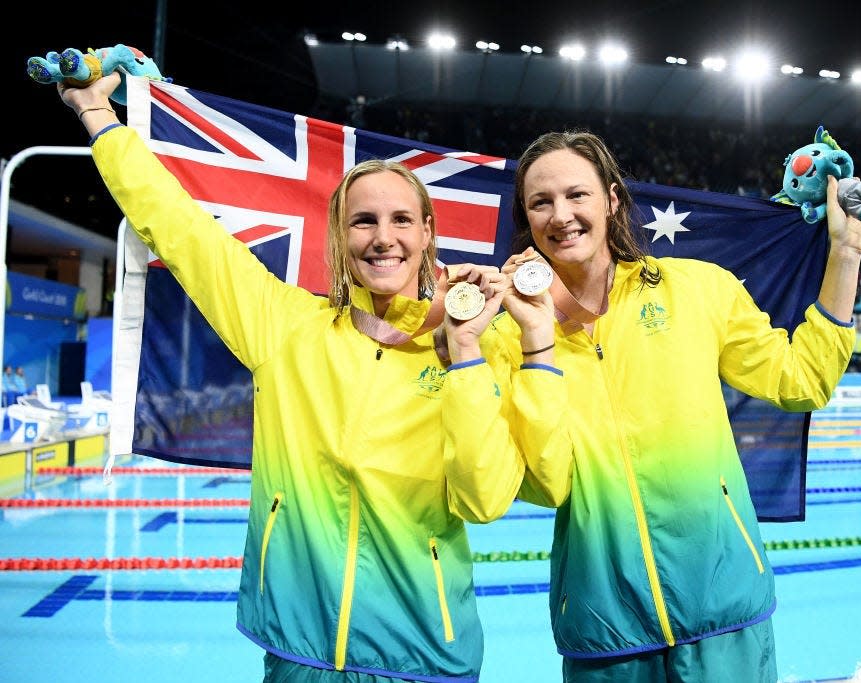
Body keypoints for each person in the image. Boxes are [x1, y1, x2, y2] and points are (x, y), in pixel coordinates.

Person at [56, 71, 530, 683]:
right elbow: (179, 227)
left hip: (424, 655)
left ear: (428, 233)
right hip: (300, 653)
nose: (383, 239)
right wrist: (98, 116)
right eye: (363, 222)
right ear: (338, 236)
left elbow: (486, 500)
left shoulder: (479, 341)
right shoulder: (284, 327)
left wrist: (465, 356)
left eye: (401, 221)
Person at [484, 130, 861, 682]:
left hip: (725, 612)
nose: (560, 215)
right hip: (605, 630)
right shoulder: (509, 337)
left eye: (577, 195)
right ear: (525, 217)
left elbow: (801, 379)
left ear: (612, 199)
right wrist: (535, 338)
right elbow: (544, 483)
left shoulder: (696, 290)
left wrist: (846, 253)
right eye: (540, 202)